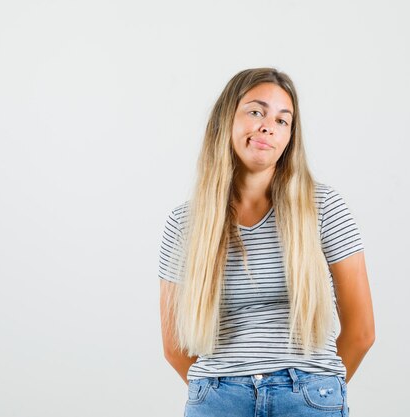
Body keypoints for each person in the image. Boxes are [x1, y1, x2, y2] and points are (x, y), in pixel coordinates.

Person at [158, 67, 374, 417]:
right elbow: (174, 346)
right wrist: (222, 390)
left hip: (308, 396)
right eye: (256, 111)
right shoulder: (184, 224)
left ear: (290, 137)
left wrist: (319, 388)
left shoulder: (324, 207)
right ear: (226, 119)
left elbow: (362, 331)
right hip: (218, 397)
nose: (267, 126)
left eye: (282, 120)